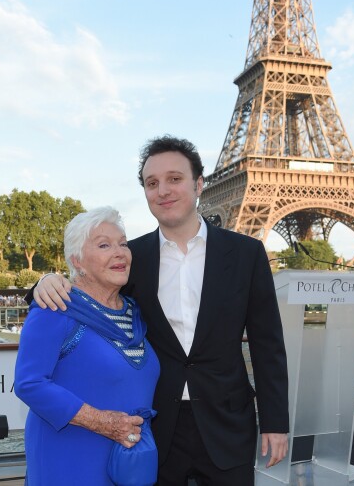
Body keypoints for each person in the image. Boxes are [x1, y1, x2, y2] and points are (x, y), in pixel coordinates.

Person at [30, 135, 289, 485]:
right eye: (152, 183)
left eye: (174, 179)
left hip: (227, 422)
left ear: (199, 184)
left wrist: (275, 422)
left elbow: (267, 344)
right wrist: (42, 281)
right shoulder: (130, 258)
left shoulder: (246, 254)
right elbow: (85, 288)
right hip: (155, 426)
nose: (163, 190)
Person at [14, 207, 160, 485]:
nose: (119, 252)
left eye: (123, 244)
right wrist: (102, 422)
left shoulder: (135, 312)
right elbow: (29, 383)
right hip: (70, 460)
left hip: (130, 463)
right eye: (104, 245)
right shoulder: (54, 308)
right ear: (77, 261)